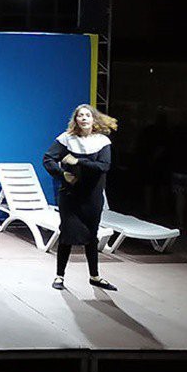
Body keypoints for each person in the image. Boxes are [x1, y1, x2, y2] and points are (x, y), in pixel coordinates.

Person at [43, 103, 118, 291]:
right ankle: (59, 276)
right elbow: (48, 159)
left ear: (94, 119)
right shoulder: (66, 139)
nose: (84, 118)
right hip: (70, 196)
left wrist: (77, 161)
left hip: (92, 197)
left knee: (92, 235)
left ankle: (94, 276)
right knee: (67, 234)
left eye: (87, 115)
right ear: (75, 119)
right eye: (80, 115)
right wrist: (63, 174)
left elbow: (103, 166)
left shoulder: (102, 141)